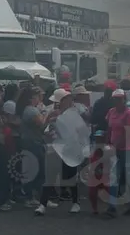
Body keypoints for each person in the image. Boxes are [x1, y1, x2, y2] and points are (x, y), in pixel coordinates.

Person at [37, 88, 90, 216]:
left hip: (69, 149)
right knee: (50, 176)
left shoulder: (75, 113)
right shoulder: (53, 113)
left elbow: (81, 131)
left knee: (70, 176)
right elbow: (45, 131)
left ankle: (75, 202)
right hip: (55, 149)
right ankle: (42, 204)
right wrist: (50, 124)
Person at [105, 88, 130, 217]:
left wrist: (113, 146)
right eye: (115, 99)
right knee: (113, 176)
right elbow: (109, 128)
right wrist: (108, 143)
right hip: (116, 148)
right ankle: (112, 207)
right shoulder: (111, 112)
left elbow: (128, 133)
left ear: (124, 99)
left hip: (129, 148)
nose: (117, 101)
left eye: (120, 99)